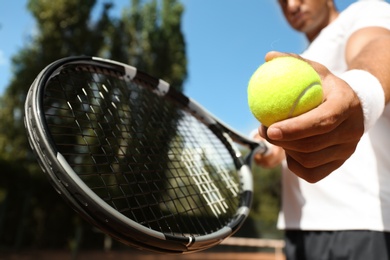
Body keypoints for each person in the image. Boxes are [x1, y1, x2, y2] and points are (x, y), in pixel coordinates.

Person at [253, 0, 390, 259]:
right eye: (282, 2)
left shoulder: (366, 11)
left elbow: (379, 45)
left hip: (363, 225)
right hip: (299, 230)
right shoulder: (307, 55)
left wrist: (360, 94)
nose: (292, 5)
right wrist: (275, 144)